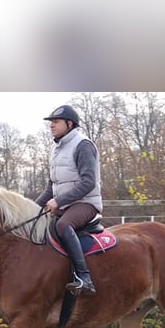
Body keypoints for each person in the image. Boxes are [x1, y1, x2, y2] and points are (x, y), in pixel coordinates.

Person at [35, 104, 102, 294]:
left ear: (69, 124)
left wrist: (59, 201)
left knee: (63, 226)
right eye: (51, 123)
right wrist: (32, 208)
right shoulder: (55, 149)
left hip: (86, 203)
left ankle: (84, 277)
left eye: (55, 122)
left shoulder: (83, 145)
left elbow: (88, 182)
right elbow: (52, 185)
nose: (51, 126)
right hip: (66, 205)